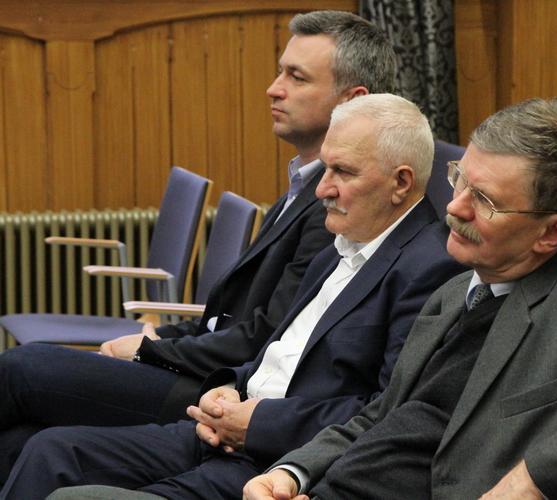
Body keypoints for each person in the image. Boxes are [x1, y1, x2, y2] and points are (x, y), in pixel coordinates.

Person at [242, 98, 557, 500]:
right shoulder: (455, 291)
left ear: (552, 233)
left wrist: (541, 473)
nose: (454, 208)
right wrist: (294, 471)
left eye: (484, 200)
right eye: (459, 180)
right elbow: (384, 415)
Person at [1, 93, 467, 499]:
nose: (323, 188)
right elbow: (278, 354)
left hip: (277, 462)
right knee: (50, 450)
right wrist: (227, 388)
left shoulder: (428, 268)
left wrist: (256, 422)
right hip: (222, 427)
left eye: (342, 172)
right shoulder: (341, 245)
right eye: (325, 168)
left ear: (400, 183)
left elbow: (385, 411)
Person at [0, 10, 398, 482]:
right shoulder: (302, 182)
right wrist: (161, 338)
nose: (273, 88)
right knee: (22, 440)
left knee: (22, 368)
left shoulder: (339, 207)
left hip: (212, 390)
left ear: (352, 101)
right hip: (208, 372)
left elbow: (264, 335)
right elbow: (232, 318)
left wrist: (152, 350)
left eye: (296, 77)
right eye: (280, 72)